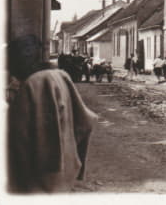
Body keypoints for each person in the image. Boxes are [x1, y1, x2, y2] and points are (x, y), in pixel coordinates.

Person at [7, 35, 98, 193]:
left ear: (20, 59)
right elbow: (86, 121)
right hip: (64, 172)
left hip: (38, 177)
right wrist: (70, 151)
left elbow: (18, 137)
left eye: (11, 63)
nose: (10, 70)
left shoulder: (33, 84)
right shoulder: (61, 76)